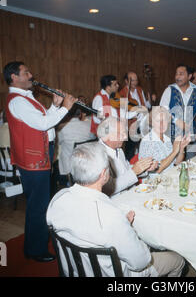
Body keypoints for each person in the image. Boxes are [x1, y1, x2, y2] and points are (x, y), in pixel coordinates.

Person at [46, 142, 185, 277]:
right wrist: (125, 228)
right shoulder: (111, 215)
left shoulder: (57, 199)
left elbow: (85, 224)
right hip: (114, 274)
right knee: (178, 260)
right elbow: (141, 262)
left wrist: (121, 225)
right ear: (104, 175)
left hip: (75, 270)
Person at [4, 61, 77, 262]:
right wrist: (66, 109)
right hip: (32, 158)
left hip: (40, 154)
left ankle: (39, 241)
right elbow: (42, 124)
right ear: (14, 77)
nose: (31, 75)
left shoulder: (25, 98)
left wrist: (55, 106)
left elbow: (44, 121)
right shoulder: (17, 101)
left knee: (42, 202)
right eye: (26, 72)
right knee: (38, 205)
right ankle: (35, 250)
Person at [160, 64, 196, 159]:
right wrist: (176, 120)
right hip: (172, 135)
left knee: (191, 163)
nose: (177, 77)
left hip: (192, 135)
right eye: (176, 74)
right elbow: (162, 111)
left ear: (189, 76)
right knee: (174, 163)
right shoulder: (169, 90)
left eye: (181, 74)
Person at [97, 116, 158, 196]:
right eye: (121, 134)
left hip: (128, 193)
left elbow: (127, 170)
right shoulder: (98, 156)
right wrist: (134, 171)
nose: (125, 137)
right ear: (108, 136)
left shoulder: (118, 149)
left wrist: (144, 168)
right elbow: (107, 189)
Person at [139, 107, 190, 174]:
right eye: (158, 121)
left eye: (164, 120)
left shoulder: (166, 138)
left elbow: (177, 163)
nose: (162, 124)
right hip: (154, 182)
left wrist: (181, 148)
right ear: (152, 123)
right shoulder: (147, 141)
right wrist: (174, 152)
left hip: (169, 177)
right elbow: (157, 170)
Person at [57, 105, 96, 182]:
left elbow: (59, 141)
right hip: (85, 164)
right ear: (80, 114)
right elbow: (93, 138)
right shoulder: (88, 125)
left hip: (69, 166)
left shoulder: (62, 128)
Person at [119, 71, 151, 160]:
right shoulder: (122, 93)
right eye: (132, 81)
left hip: (143, 123)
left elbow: (146, 105)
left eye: (136, 80)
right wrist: (137, 111)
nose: (135, 83)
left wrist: (149, 101)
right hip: (131, 125)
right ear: (126, 81)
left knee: (144, 147)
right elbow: (123, 114)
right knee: (130, 150)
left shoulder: (140, 90)